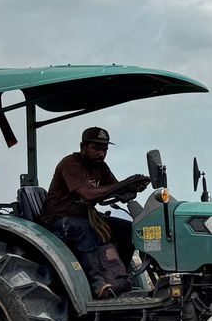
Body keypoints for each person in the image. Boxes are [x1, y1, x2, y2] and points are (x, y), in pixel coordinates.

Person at [42, 126, 149, 298]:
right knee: (83, 229)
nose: (101, 154)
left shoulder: (101, 167)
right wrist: (123, 184)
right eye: (96, 148)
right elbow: (86, 193)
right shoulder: (71, 164)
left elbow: (115, 190)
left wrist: (133, 186)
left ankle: (119, 276)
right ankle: (97, 284)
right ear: (83, 147)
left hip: (84, 216)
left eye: (105, 149)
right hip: (59, 219)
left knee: (128, 229)